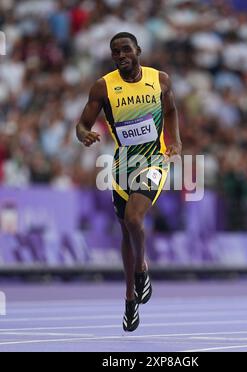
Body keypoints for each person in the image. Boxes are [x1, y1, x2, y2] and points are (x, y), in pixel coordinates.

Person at [76, 32, 181, 332]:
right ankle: (129, 298)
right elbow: (82, 123)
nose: (121, 55)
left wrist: (176, 143)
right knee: (125, 231)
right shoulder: (103, 86)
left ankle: (142, 269)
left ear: (138, 51)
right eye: (115, 52)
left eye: (126, 50)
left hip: (153, 161)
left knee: (134, 220)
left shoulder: (159, 79)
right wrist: (84, 134)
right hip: (123, 165)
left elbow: (171, 110)